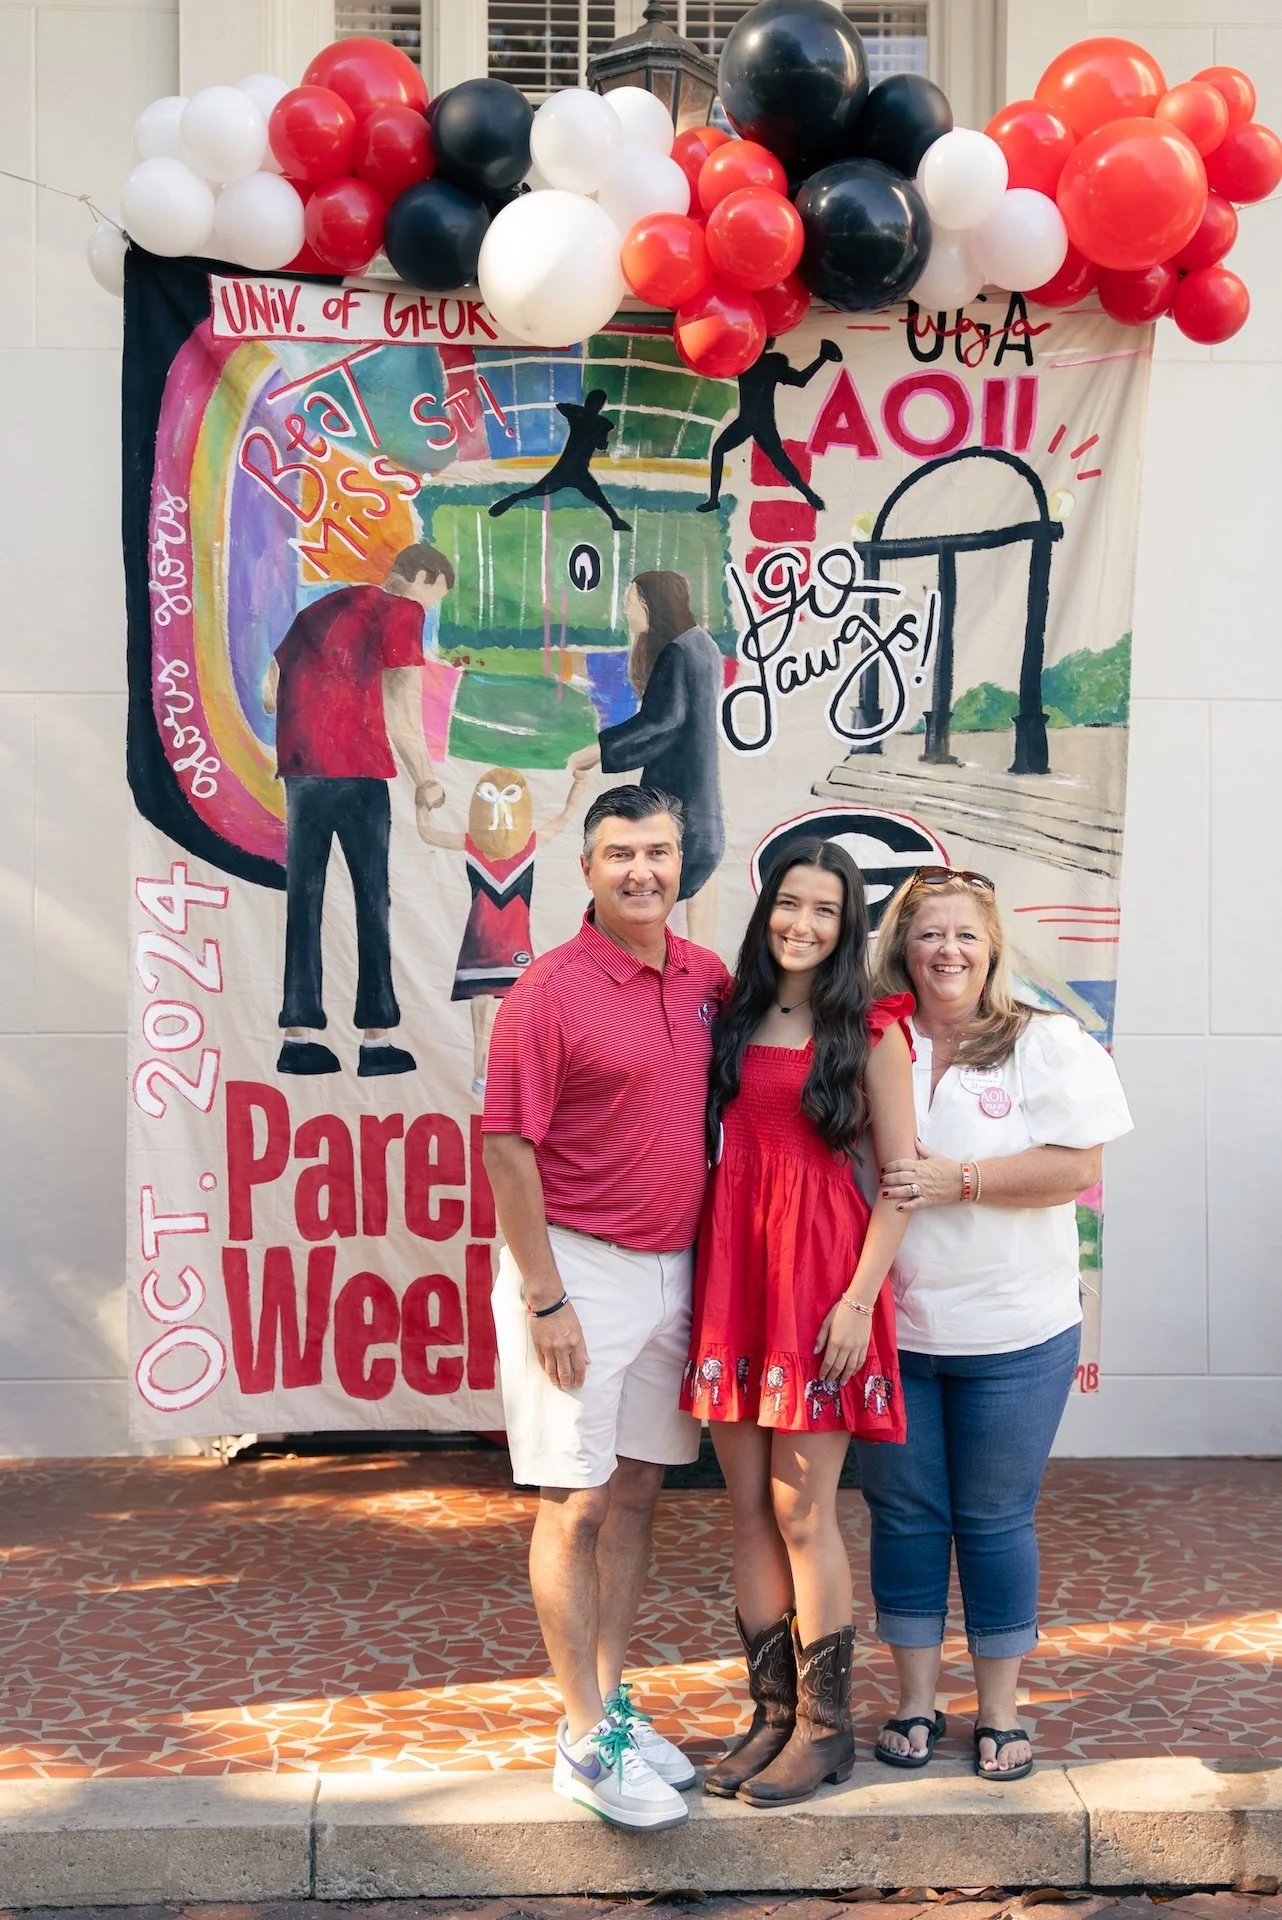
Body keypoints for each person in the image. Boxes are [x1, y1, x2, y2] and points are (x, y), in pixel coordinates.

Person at [482, 784, 730, 1833]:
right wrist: (545, 1299)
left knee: (635, 1495)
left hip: (676, 1268)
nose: (643, 871)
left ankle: (612, 1707)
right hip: (575, 1272)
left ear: (682, 863)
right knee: (572, 1502)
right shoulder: (546, 991)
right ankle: (580, 1739)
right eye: (620, 853)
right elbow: (505, 1145)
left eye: (660, 852)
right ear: (585, 870)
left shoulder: (708, 977)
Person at [857, 867, 1133, 1781]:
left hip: (1017, 1334)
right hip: (899, 1329)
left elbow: (1077, 1169)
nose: (948, 951)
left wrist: (960, 1180)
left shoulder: (1041, 1043)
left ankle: (1003, 1713)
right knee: (904, 1515)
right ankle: (913, 1701)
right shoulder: (871, 1042)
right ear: (902, 946)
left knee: (993, 1519)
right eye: (929, 933)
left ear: (993, 949)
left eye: (966, 936)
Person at [682, 839, 917, 1807]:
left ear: (846, 923)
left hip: (820, 1280)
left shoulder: (871, 1031)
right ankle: (770, 1716)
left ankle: (826, 1732)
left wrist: (858, 1301)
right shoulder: (728, 1015)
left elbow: (900, 1184)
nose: (803, 925)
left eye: (824, 910)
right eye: (790, 904)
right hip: (733, 1270)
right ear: (765, 907)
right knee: (742, 1509)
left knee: (801, 1509)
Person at [263, 543, 454, 1078]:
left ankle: (297, 1037)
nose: (427, 611)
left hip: (303, 772)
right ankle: (376, 1038)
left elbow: (270, 690)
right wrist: (426, 781)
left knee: (304, 897)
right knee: (372, 900)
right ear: (420, 576)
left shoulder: (323, 607)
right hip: (359, 771)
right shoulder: (400, 611)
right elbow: (400, 707)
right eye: (432, 597)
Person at [569, 571, 725, 948]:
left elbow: (661, 723)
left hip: (676, 812)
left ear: (652, 604)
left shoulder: (677, 652)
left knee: (614, 916)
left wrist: (598, 751)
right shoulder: (701, 646)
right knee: (684, 922)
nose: (626, 610)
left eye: (631, 600)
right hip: (699, 812)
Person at [416, 762, 590, 1097]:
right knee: (482, 1012)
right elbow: (428, 834)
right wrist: (420, 805)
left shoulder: (529, 844)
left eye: (508, 796)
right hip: (480, 942)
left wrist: (579, 784)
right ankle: (481, 1073)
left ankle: (520, 1075)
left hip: (515, 944)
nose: (500, 807)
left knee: (523, 1014)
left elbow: (566, 817)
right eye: (491, 797)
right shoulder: (472, 845)